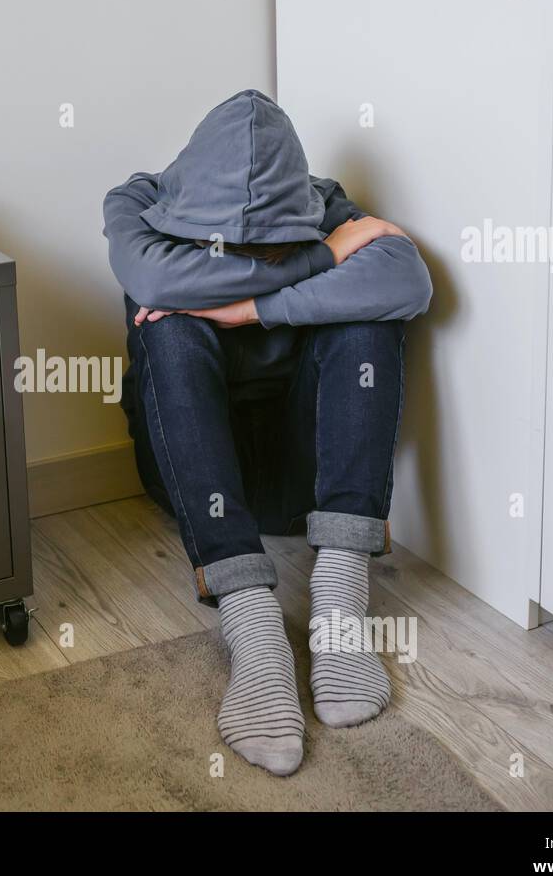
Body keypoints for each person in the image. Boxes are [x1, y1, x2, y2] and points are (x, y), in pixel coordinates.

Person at [102, 89, 432, 776]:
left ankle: (340, 603)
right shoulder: (138, 203)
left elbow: (406, 277)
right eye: (236, 251)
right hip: (202, 484)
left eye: (274, 247)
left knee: (371, 315)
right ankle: (255, 631)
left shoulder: (320, 200)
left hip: (304, 478)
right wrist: (324, 257)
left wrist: (248, 308)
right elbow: (153, 276)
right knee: (167, 327)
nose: (260, 256)